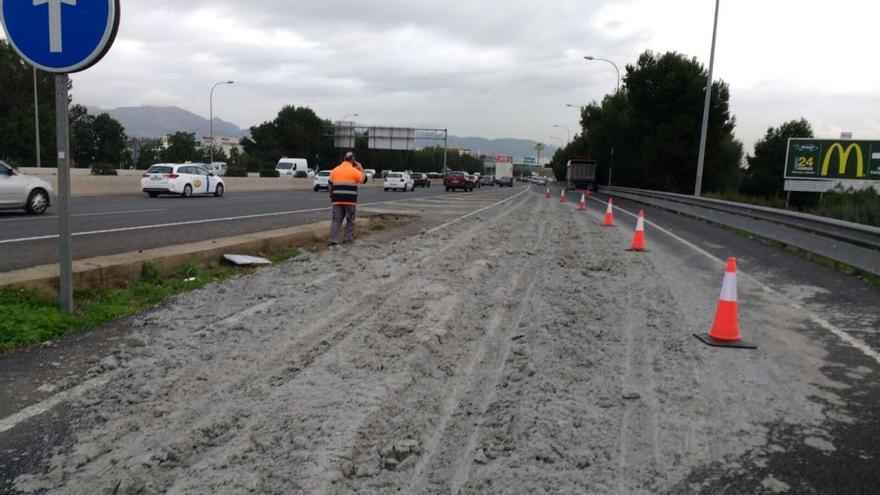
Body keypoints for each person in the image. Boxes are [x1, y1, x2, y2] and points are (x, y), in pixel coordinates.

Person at [327, 151, 366, 246]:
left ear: (344, 158)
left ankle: (333, 240)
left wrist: (332, 195)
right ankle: (347, 239)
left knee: (336, 220)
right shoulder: (355, 171)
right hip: (350, 200)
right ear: (353, 160)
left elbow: (330, 184)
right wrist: (361, 168)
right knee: (350, 220)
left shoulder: (335, 170)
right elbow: (363, 180)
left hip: (337, 199)